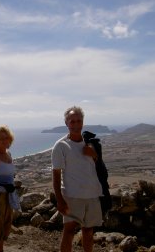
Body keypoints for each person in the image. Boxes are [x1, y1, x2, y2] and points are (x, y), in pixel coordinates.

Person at [52, 106, 103, 252]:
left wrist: (93, 154)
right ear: (66, 123)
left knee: (88, 232)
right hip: (72, 196)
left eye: (78, 121)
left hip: (92, 195)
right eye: (72, 121)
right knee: (68, 231)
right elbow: (55, 175)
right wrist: (60, 200)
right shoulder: (61, 146)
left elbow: (99, 166)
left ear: (83, 122)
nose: (75, 124)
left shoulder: (90, 143)